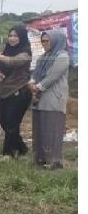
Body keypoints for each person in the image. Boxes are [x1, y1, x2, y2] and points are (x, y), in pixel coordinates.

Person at [0, 28, 33, 158]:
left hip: (19, 92)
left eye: (15, 36)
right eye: (10, 35)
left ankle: (8, 153)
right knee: (3, 122)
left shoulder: (26, 53)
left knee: (11, 123)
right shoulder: (6, 51)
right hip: (4, 92)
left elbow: (13, 61)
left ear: (21, 37)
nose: (12, 38)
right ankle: (22, 148)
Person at [29, 29, 70, 169]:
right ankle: (41, 158)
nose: (44, 43)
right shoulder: (43, 58)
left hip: (53, 98)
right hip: (39, 98)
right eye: (43, 41)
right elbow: (34, 74)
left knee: (52, 128)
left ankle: (54, 161)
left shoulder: (62, 56)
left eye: (47, 41)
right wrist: (32, 84)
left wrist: (38, 87)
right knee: (40, 128)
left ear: (56, 41)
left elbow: (53, 76)